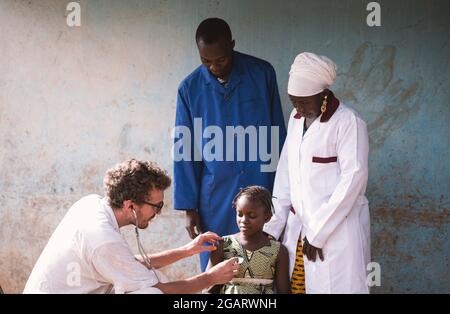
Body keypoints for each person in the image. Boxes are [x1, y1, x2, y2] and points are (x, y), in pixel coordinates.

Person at [24, 159, 239, 294]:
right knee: (151, 292)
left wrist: (187, 250)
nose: (158, 212)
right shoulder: (104, 239)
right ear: (130, 205)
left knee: (152, 279)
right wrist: (211, 277)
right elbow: (160, 290)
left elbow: (126, 264)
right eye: (157, 206)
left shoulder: (92, 204)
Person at [173, 17, 286, 272]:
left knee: (263, 261)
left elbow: (277, 134)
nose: (213, 66)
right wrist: (189, 207)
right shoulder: (189, 89)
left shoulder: (261, 74)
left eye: (220, 59)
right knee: (217, 264)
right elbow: (185, 150)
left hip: (261, 184)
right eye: (206, 61)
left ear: (232, 46)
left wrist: (284, 192)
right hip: (215, 194)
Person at [263, 52, 370, 294]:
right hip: (299, 230)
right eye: (293, 101)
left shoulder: (348, 122)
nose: (298, 108)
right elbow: (285, 174)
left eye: (304, 101)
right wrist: (273, 226)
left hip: (336, 232)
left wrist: (319, 233)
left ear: (323, 95)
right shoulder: (296, 118)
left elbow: (354, 178)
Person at [208, 186, 290, 294]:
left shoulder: (278, 250)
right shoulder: (223, 245)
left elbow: (284, 291)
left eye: (252, 216)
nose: (244, 220)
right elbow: (209, 289)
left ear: (267, 217)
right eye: (240, 214)